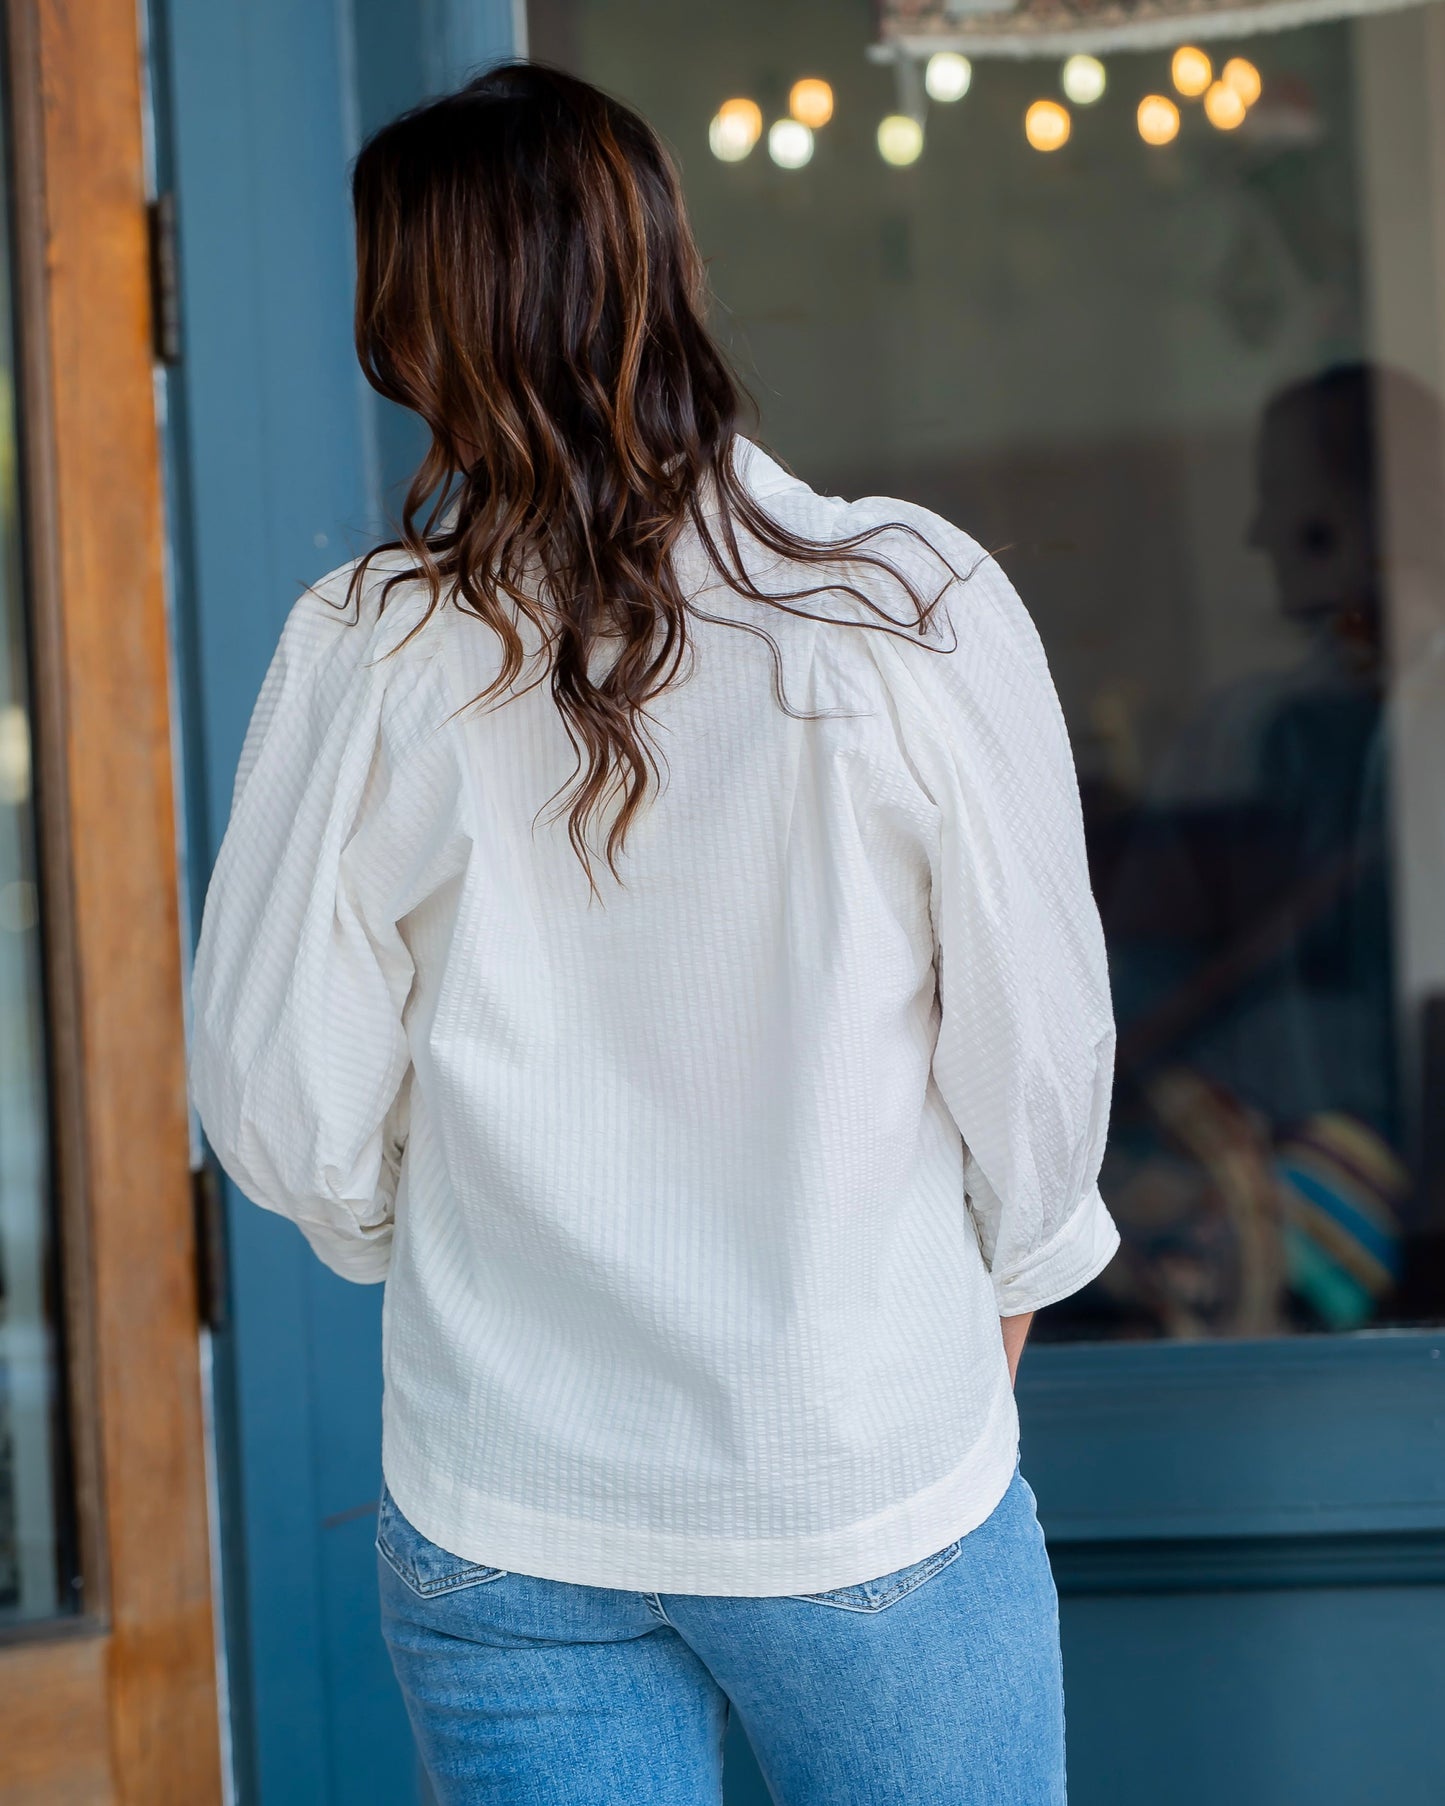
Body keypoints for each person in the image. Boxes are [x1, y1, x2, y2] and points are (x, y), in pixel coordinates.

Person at [189, 61, 1118, 1806]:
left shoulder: (368, 647)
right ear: (666, 272)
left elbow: (275, 1098)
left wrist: (440, 1237)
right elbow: (1041, 1056)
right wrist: (999, 1283)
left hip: (504, 1497)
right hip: (860, 1476)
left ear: (416, 332)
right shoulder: (905, 607)